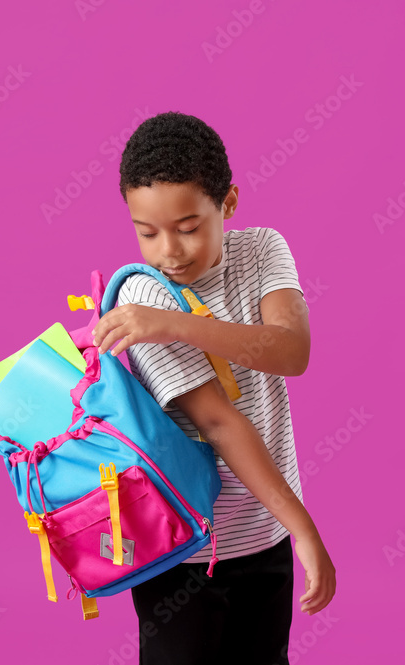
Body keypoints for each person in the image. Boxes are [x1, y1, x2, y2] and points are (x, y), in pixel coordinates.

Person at [91, 111, 335, 664]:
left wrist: (179, 324)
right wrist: (305, 528)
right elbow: (220, 423)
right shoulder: (141, 301)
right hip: (183, 550)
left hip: (266, 533)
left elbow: (291, 350)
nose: (168, 252)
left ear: (227, 204)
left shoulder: (262, 251)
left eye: (188, 227)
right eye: (146, 232)